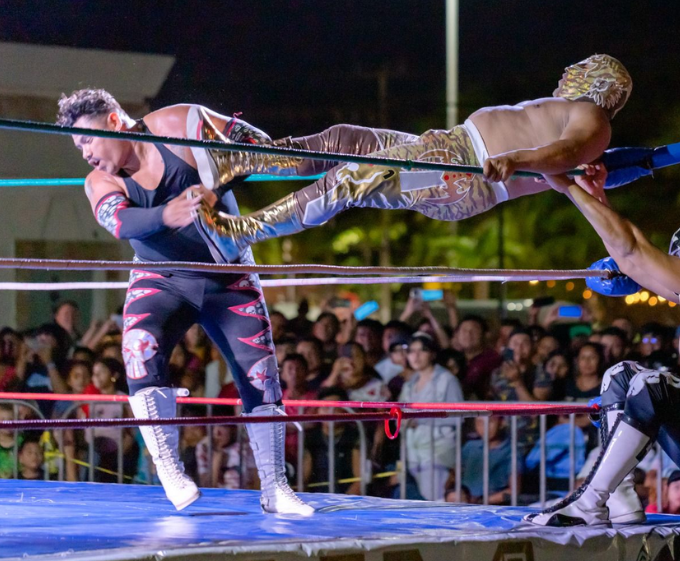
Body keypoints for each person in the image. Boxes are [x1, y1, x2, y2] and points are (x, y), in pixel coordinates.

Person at [58, 89, 312, 515]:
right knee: (138, 350)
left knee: (261, 376)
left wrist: (219, 183)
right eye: (77, 146)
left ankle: (275, 487)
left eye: (87, 140)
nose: (84, 153)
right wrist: (165, 214)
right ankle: (170, 471)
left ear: (115, 123)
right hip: (161, 279)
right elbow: (119, 221)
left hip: (227, 273)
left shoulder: (179, 125)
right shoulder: (99, 180)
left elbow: (255, 146)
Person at [191, 55, 636, 262]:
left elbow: (566, 154)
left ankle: (241, 234)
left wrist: (517, 159)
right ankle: (243, 161)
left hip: (463, 172)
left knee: (352, 180)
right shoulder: (577, 113)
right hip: (454, 149)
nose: (566, 72)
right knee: (345, 139)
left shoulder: (593, 119)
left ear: (598, 79)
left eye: (579, 68)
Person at [525, 165, 680, 527]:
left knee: (652, 384)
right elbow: (632, 259)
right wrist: (596, 194)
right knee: (621, 375)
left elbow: (632, 250)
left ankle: (590, 500)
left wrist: (564, 184)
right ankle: (619, 497)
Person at [399, 333, 464, 501]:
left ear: (432, 354)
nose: (416, 355)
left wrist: (419, 419)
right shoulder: (410, 384)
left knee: (437, 501)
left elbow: (458, 416)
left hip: (438, 451)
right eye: (412, 351)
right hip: (414, 451)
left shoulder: (447, 380)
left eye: (422, 350)